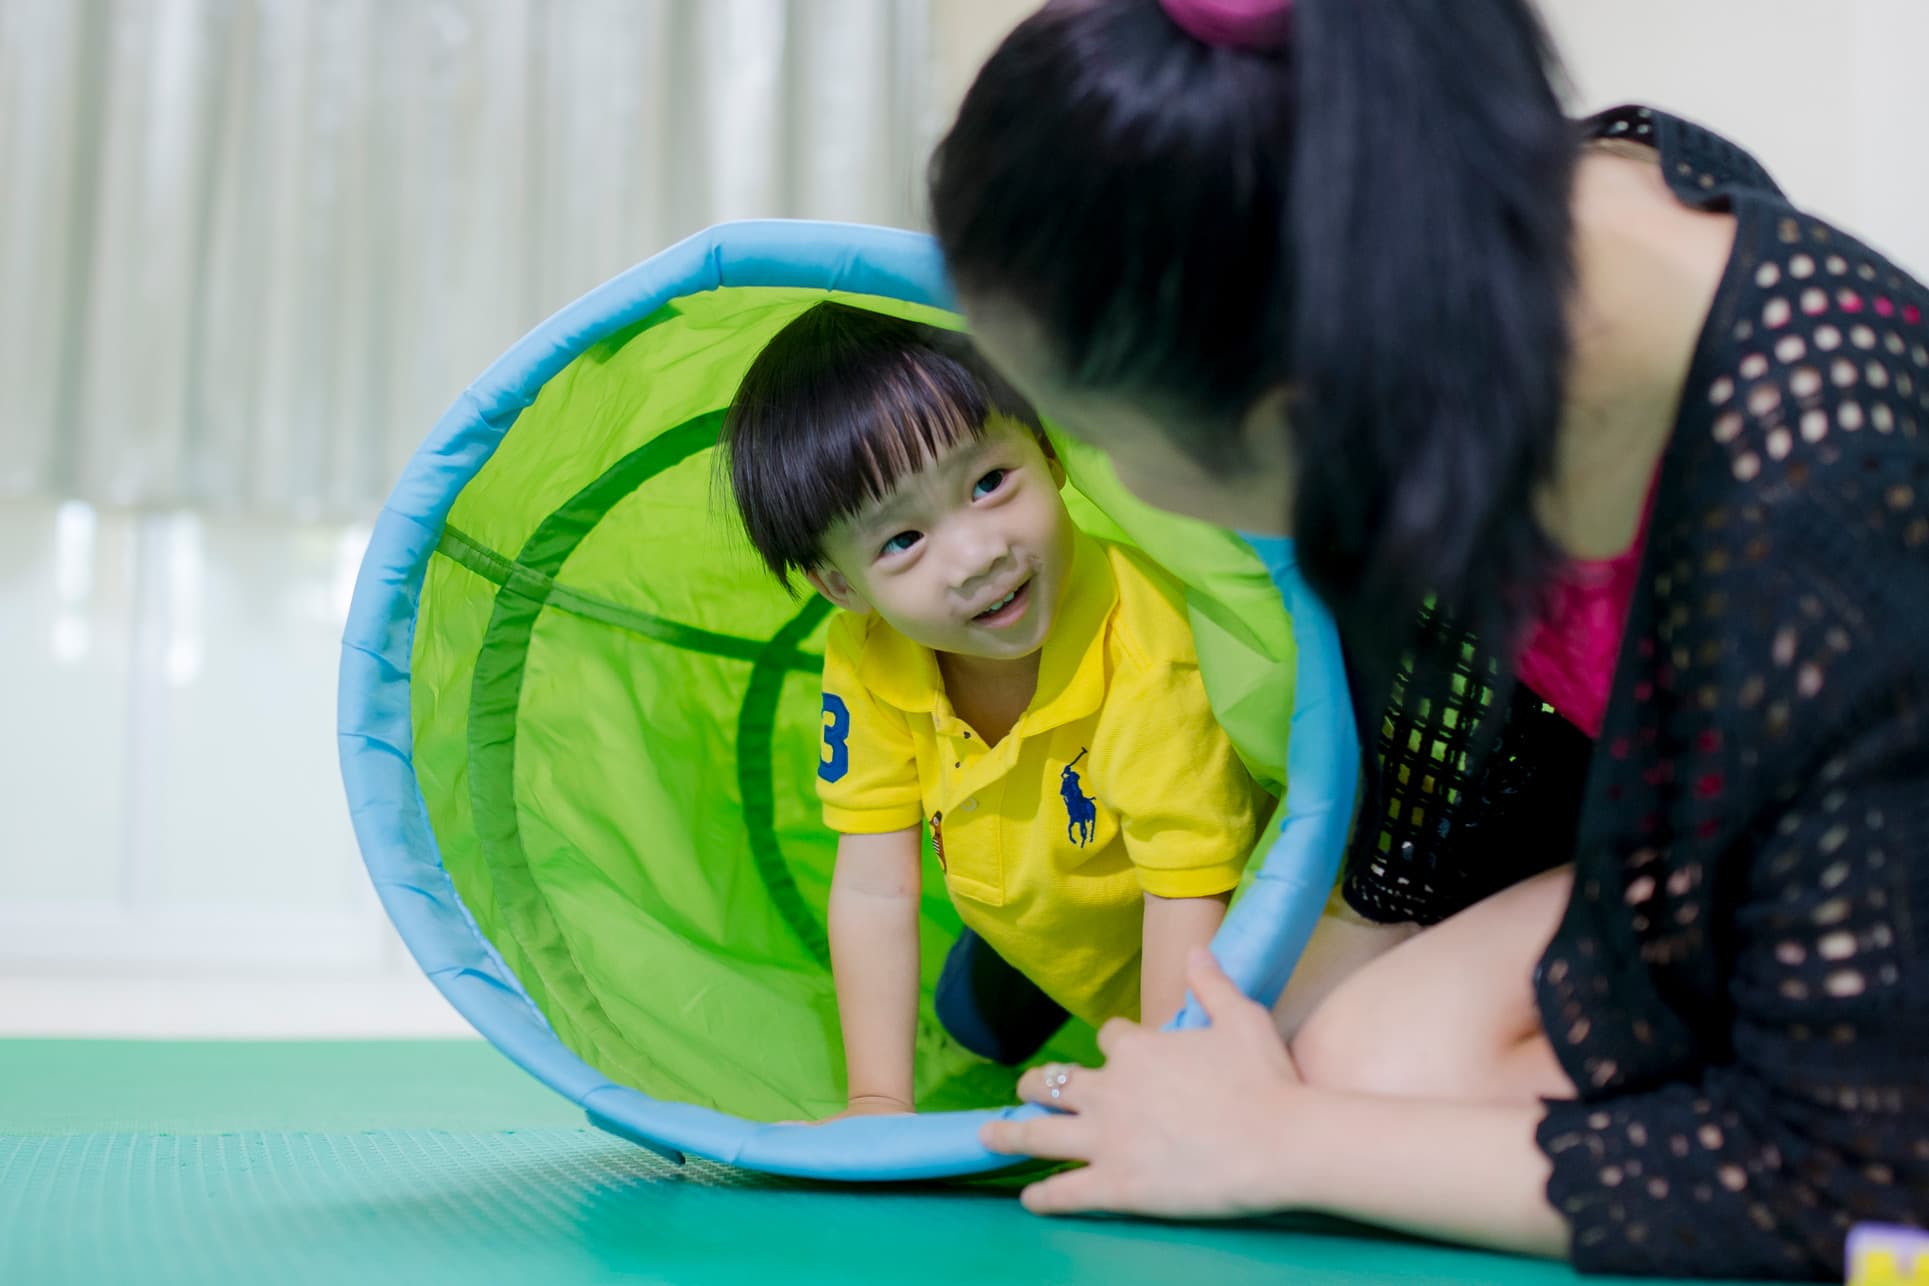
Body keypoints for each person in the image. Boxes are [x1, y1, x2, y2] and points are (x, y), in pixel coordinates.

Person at [926, 0, 1929, 1277]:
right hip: (1712, 827)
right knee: (1352, 1053)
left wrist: (1272, 1144)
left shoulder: (1828, 523)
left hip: (1870, 900)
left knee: (1348, 1094)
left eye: (1108, 436)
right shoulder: (1457, 273)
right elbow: (1422, 811)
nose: (1106, 478)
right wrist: (1231, 1064)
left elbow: (1852, 1185)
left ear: (1305, 412)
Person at [720, 300, 1270, 1118]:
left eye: (988, 483)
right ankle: (1027, 959)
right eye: (901, 542)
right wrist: (876, 1099)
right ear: (842, 589)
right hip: (1039, 904)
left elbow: (1188, 895)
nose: (978, 556)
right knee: (966, 1023)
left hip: (1201, 920)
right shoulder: (866, 656)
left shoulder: (1150, 650)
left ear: (1048, 452)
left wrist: (1160, 1099)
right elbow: (874, 886)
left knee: (1287, 1047)